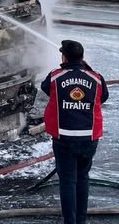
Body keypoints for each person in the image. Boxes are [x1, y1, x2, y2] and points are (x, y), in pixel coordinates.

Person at [42, 40, 109, 224]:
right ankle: (81, 220)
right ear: (82, 57)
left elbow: (45, 88)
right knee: (82, 178)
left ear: (64, 57)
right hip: (89, 138)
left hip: (64, 138)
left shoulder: (55, 77)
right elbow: (103, 97)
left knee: (68, 181)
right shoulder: (96, 77)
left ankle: (70, 222)